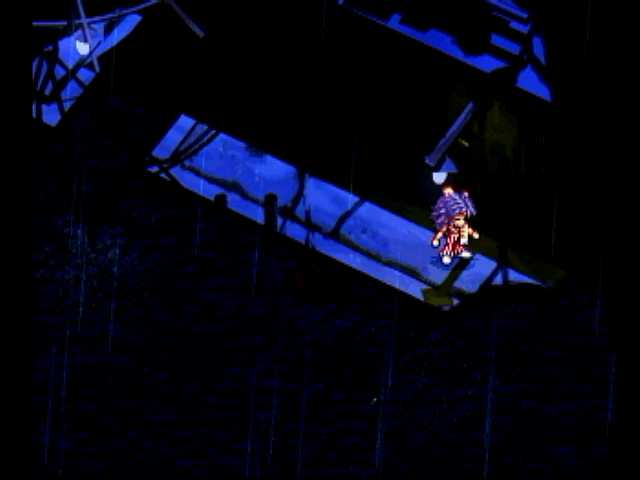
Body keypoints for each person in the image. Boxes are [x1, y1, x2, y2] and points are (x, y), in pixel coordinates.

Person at [431, 186, 479, 265]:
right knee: (451, 241)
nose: (460, 221)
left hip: (459, 239)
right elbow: (441, 232)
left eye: (462, 217)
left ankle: (459, 251)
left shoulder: (463, 224)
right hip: (451, 237)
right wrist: (436, 239)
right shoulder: (449, 224)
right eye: (458, 218)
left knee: (462, 237)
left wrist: (473, 233)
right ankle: (447, 254)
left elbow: (468, 229)